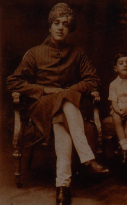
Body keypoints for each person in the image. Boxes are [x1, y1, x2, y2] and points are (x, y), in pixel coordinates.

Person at [6, 3, 109, 205]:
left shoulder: (78, 52)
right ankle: (88, 159)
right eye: (56, 23)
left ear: (70, 29)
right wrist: (46, 90)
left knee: (63, 118)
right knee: (67, 103)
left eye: (65, 24)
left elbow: (93, 80)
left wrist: (70, 91)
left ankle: (63, 187)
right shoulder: (35, 53)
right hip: (42, 107)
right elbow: (13, 81)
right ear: (50, 27)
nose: (61, 27)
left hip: (63, 111)